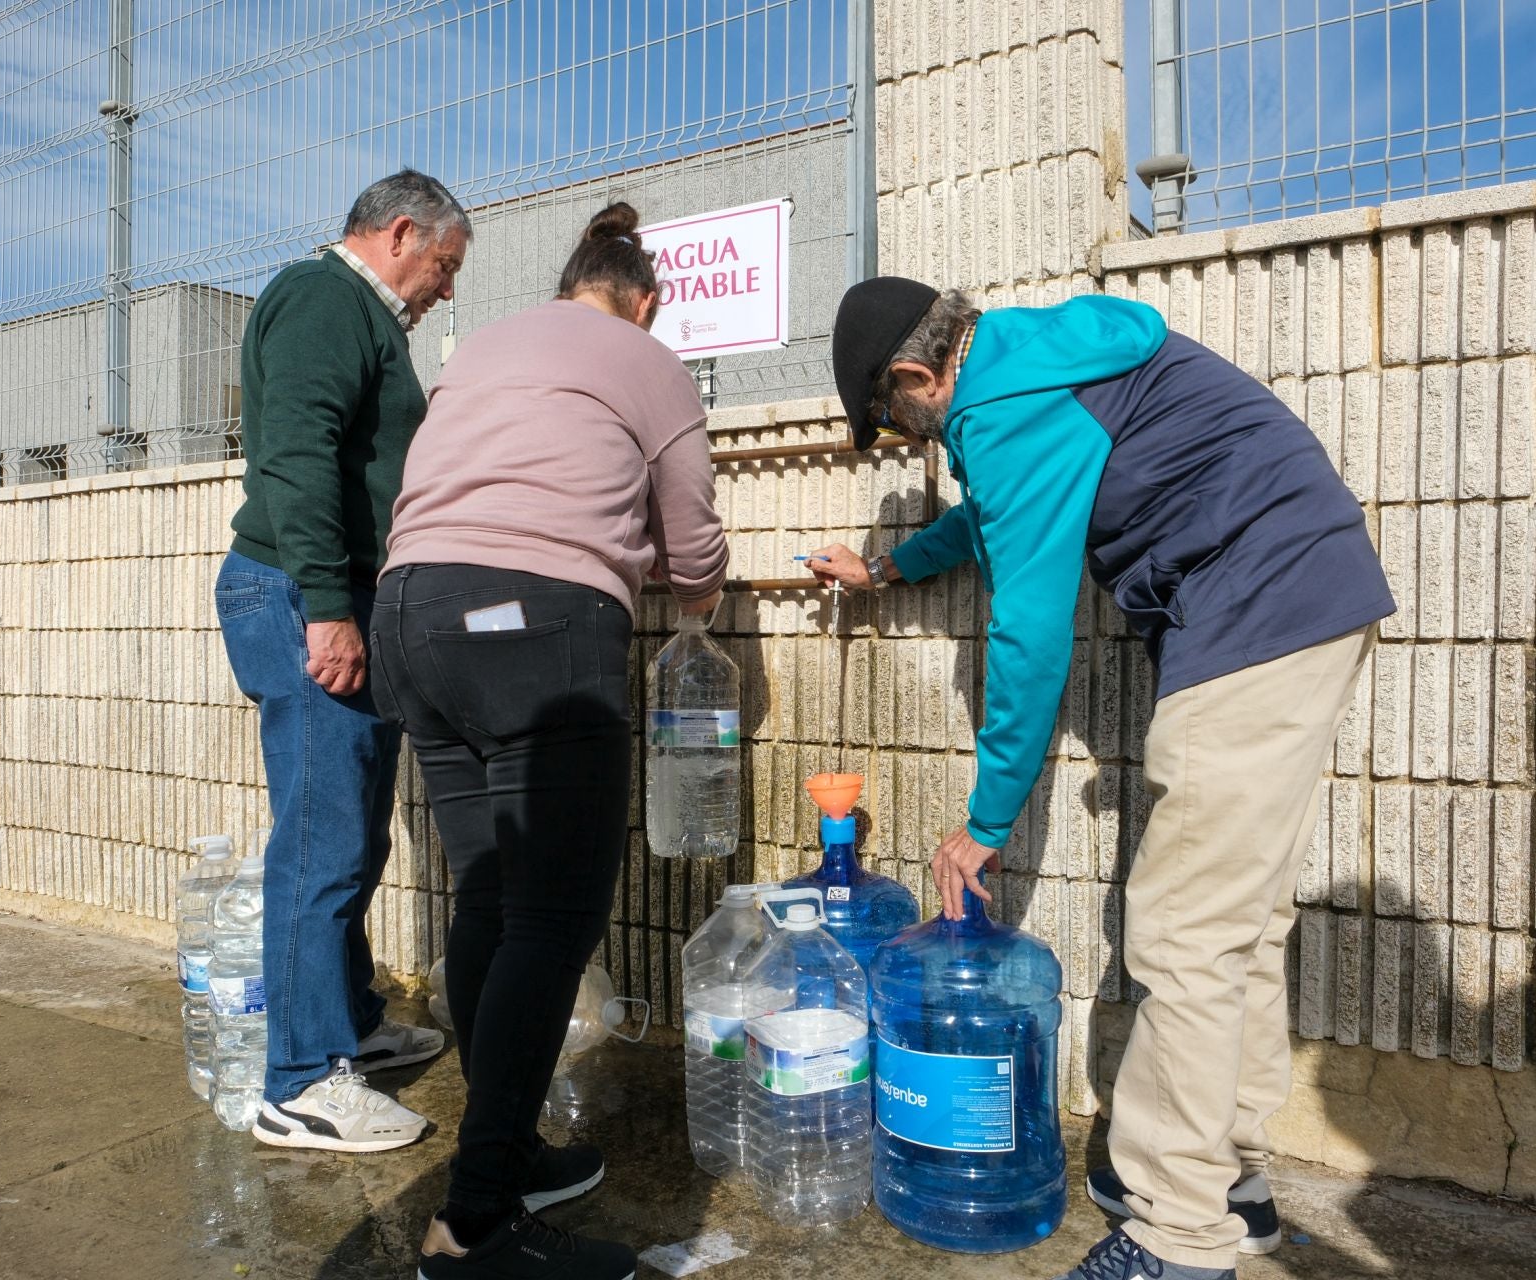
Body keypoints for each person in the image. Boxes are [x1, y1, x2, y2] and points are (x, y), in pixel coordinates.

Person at [809, 278, 1394, 1280]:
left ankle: (1179, 1236)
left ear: (914, 374)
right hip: (1308, 591)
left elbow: (1030, 630)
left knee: (1187, 928)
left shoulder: (999, 405)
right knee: (1239, 919)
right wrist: (893, 568)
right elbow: (998, 513)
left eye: (896, 421)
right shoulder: (1035, 360)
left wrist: (984, 819)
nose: (907, 439)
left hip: (1257, 608)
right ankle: (1220, 1175)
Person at [374, 202, 727, 1280]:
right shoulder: (645, 360)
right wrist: (690, 592)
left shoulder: (483, 346)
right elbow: (696, 538)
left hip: (412, 618)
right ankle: (472, 1228)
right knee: (550, 916)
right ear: (646, 303)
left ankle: (510, 1149)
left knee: (487, 893)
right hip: (533, 626)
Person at [215, 170, 471, 1153]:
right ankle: (301, 1080)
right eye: (444, 266)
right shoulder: (326, 298)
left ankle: (349, 1024)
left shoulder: (361, 320)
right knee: (322, 837)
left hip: (321, 592)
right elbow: (298, 454)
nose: (445, 290)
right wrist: (328, 607)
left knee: (353, 827)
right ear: (401, 233)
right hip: (297, 591)